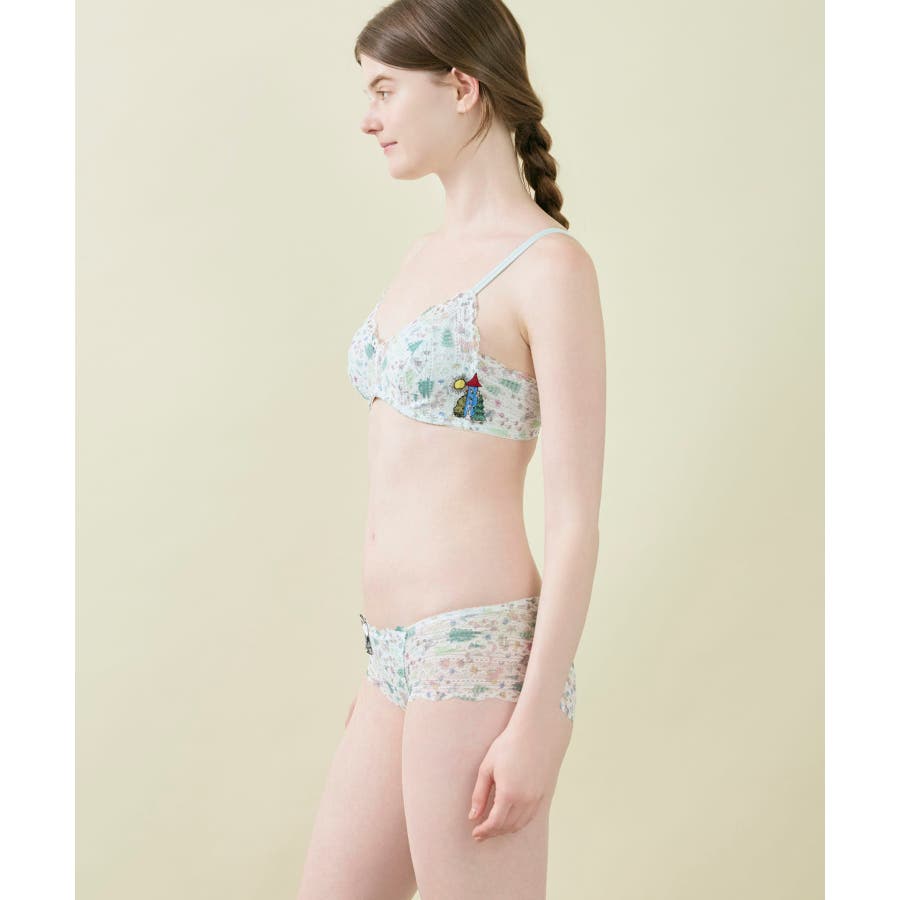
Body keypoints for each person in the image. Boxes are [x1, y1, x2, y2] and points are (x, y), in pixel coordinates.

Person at [297, 1, 605, 897]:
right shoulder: (421, 256)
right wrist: (380, 679)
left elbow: (575, 523)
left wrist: (539, 717)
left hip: (477, 656)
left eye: (385, 90)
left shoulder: (550, 268)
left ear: (462, 87)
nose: (369, 118)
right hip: (389, 662)